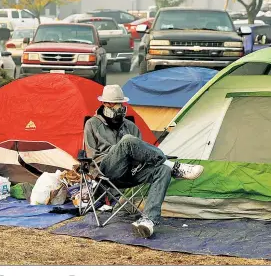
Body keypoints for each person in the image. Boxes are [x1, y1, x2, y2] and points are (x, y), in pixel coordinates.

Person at [84, 84, 204, 238]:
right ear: (105, 104)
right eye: (116, 104)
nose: (120, 107)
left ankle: (148, 220)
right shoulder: (92, 124)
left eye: (122, 104)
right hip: (107, 171)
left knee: (162, 170)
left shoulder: (130, 126)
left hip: (131, 173)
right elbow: (91, 156)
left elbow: (140, 155)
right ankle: (174, 166)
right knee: (127, 141)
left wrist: (137, 163)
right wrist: (108, 162)